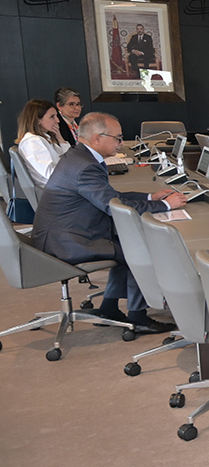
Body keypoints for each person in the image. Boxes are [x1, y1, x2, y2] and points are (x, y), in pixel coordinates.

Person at [31, 112, 187, 333]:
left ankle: (109, 308)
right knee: (140, 249)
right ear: (97, 138)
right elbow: (116, 207)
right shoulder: (85, 166)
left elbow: (110, 196)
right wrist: (166, 205)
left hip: (63, 234)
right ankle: (138, 317)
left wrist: (150, 197)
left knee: (124, 243)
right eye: (117, 138)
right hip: (67, 243)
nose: (121, 143)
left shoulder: (79, 156)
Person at [16, 99, 71, 187]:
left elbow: (69, 158)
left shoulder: (45, 138)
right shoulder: (32, 142)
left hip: (60, 184)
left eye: (56, 116)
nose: (57, 120)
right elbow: (49, 173)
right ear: (38, 120)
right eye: (52, 117)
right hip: (54, 188)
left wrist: (59, 137)